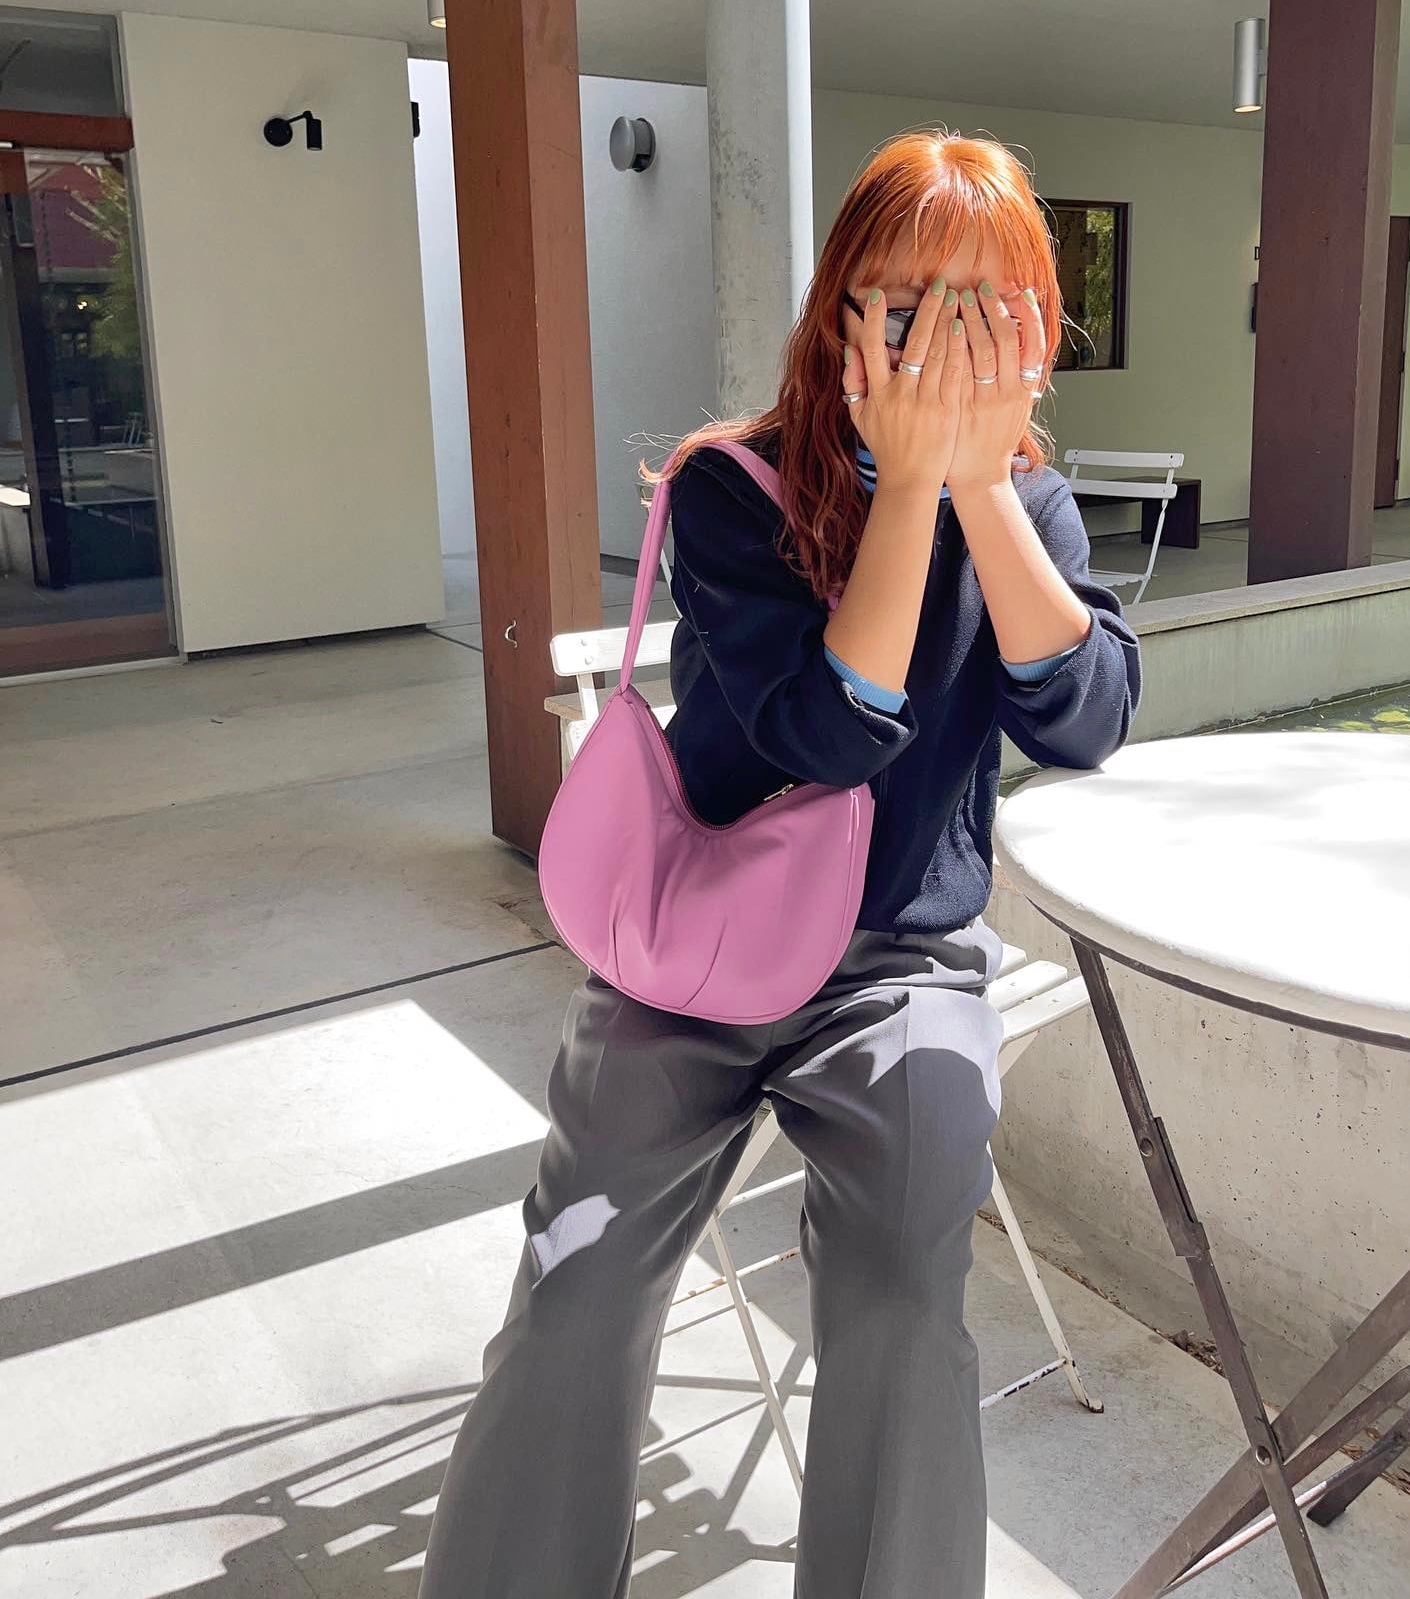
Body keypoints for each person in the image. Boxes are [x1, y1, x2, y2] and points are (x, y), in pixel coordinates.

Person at [418, 131, 1141, 1598]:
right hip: (699, 947)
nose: (942, 347)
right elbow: (825, 731)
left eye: (985, 311)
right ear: (840, 312)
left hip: (900, 967)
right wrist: (910, 490)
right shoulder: (733, 489)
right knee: (578, 1276)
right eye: (908, 305)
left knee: (902, 1298)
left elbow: (1087, 722)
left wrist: (979, 489)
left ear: (1036, 331)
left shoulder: (1034, 507)